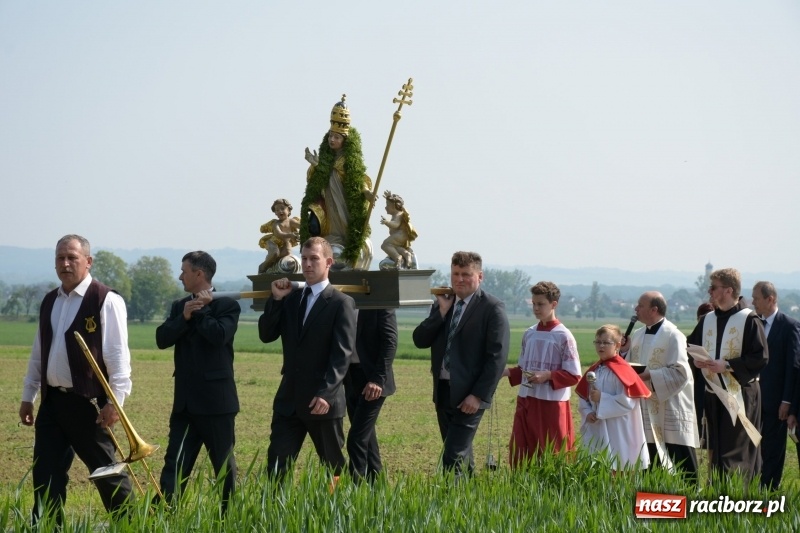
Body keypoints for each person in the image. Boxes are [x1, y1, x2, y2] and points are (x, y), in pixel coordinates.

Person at [18, 234, 132, 524]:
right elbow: (38, 352)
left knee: (108, 475)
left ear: (88, 262)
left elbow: (118, 357)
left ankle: (133, 525)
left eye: (72, 257)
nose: (65, 263)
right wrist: (28, 396)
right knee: (46, 476)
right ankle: (46, 528)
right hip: (52, 403)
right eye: (60, 258)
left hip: (89, 406)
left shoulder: (106, 299)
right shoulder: (49, 301)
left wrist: (115, 402)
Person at [258, 237, 356, 482]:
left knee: (333, 470)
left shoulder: (341, 303)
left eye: (314, 258)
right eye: (304, 258)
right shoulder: (291, 299)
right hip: (288, 401)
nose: (308, 264)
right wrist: (276, 300)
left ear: (329, 262)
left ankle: (340, 513)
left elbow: (341, 354)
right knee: (276, 470)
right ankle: (272, 516)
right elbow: (266, 334)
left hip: (322, 402)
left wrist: (326, 393)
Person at [155, 251, 240, 512]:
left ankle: (230, 518)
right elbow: (162, 339)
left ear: (199, 274)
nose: (180, 276)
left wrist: (201, 313)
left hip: (216, 403)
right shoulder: (180, 306)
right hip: (185, 405)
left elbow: (219, 336)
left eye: (184, 271)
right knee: (175, 463)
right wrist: (184, 317)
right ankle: (163, 514)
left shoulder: (227, 305)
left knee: (223, 466)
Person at [412, 251, 510, 476]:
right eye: (455, 273)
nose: (459, 279)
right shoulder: (443, 304)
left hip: (471, 395)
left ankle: (450, 503)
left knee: (453, 455)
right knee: (459, 453)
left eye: (466, 274)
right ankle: (469, 501)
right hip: (444, 390)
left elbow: (497, 357)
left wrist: (478, 395)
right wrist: (441, 314)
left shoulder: (492, 308)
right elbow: (420, 340)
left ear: (480, 276)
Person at [687, 268, 767, 483]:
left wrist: (729, 365)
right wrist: (696, 360)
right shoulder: (707, 320)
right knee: (716, 450)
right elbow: (691, 344)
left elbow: (760, 357)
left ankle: (736, 498)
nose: (709, 291)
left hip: (740, 394)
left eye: (714, 288)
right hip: (713, 394)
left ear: (729, 290)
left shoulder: (749, 319)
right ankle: (716, 496)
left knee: (736, 453)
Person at [501, 281, 581, 466]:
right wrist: (505, 372)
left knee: (550, 451)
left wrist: (548, 376)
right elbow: (524, 369)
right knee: (522, 447)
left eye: (541, 304)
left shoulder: (564, 336)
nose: (536, 308)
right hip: (527, 398)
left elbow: (574, 375)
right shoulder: (529, 333)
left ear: (554, 304)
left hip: (551, 404)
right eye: (534, 304)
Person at [622, 291, 699, 481]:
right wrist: (624, 352)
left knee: (679, 458)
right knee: (650, 460)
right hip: (645, 407)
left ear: (654, 309)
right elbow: (628, 365)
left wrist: (649, 376)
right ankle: (654, 500)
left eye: (640, 305)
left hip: (669, 407)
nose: (636, 309)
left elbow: (681, 373)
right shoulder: (638, 335)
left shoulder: (674, 335)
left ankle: (691, 499)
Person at [300, 95, 374, 269]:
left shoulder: (349, 160)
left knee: (347, 227)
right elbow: (314, 181)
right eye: (331, 137)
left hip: (345, 201)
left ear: (345, 140)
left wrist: (367, 192)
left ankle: (348, 250)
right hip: (329, 201)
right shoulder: (325, 157)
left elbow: (357, 180)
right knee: (330, 229)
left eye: (337, 137)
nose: (332, 140)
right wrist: (316, 165)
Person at [576, 325, 651, 470]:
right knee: (599, 467)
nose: (601, 346)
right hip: (597, 425)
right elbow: (583, 398)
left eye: (606, 342)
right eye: (598, 342)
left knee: (619, 465)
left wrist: (602, 398)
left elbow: (628, 402)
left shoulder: (624, 370)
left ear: (617, 345)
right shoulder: (595, 369)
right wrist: (588, 413)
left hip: (618, 427)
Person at [751, 281, 800, 490]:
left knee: (773, 448)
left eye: (756, 298)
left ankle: (770, 491)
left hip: (777, 400)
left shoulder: (789, 326)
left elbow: (794, 366)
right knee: (754, 447)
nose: (753, 302)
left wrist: (787, 401)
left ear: (770, 299)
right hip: (754, 400)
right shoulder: (755, 324)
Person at [344, 308, 398, 482]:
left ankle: (356, 488)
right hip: (349, 377)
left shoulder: (380, 304)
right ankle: (377, 486)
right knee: (366, 439)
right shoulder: (340, 302)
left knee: (356, 438)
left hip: (374, 380)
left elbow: (390, 342)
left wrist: (378, 379)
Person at [258, 198, 301, 273]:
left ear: (289, 210)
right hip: (274, 242)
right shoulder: (276, 223)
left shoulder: (291, 221)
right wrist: (291, 235)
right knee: (275, 253)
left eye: (282, 208)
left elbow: (300, 226)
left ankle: (276, 267)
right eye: (277, 210)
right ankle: (263, 266)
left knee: (287, 253)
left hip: (285, 242)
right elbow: (279, 234)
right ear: (275, 213)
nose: (280, 211)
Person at [379, 190, 417, 269]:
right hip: (400, 236)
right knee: (394, 247)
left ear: (394, 206)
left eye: (387, 205)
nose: (386, 207)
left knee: (385, 245)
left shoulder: (398, 215)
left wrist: (386, 222)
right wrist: (388, 197)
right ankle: (407, 255)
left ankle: (398, 258)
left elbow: (395, 225)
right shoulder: (397, 214)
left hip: (400, 235)